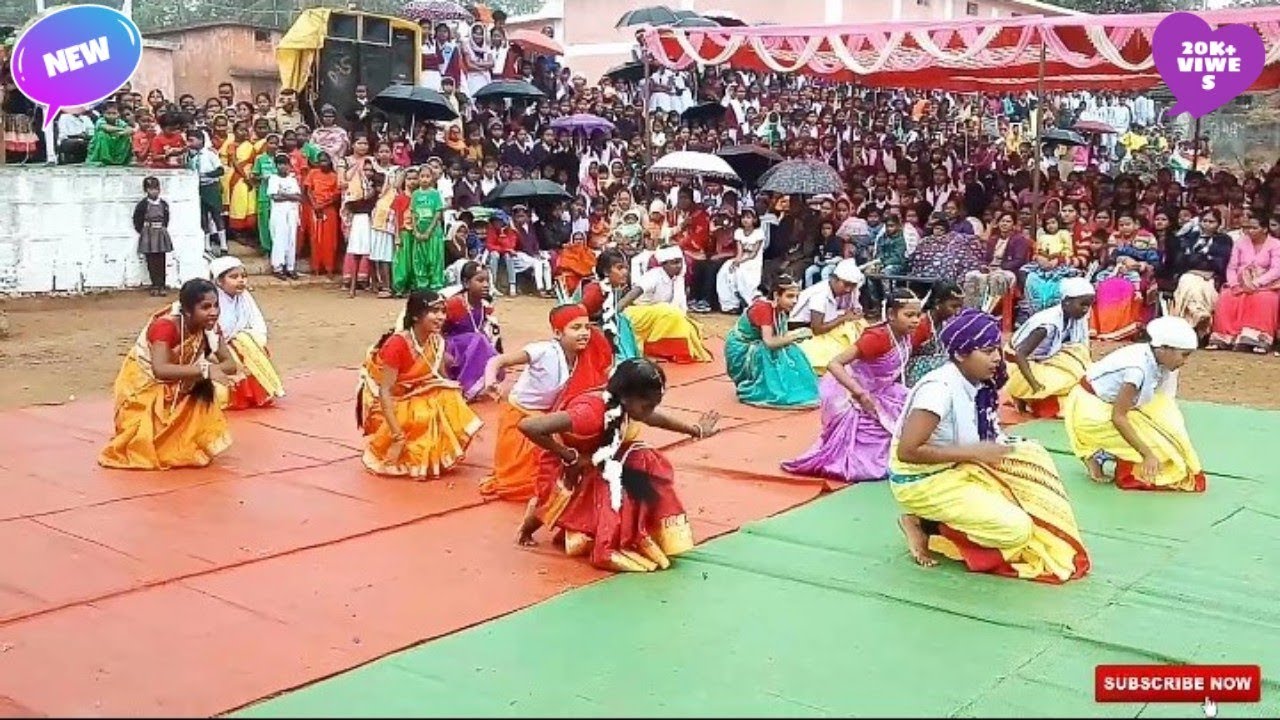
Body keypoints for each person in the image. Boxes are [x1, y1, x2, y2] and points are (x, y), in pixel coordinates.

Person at [889, 308, 1091, 583]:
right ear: (961, 354)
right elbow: (908, 452)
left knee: (1035, 459)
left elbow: (982, 432)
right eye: (987, 351)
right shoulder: (938, 389)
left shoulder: (977, 382)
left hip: (957, 464)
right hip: (922, 479)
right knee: (1016, 531)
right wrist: (975, 452)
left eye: (997, 348)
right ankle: (927, 526)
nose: (997, 357)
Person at [515, 358, 720, 572]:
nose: (650, 411)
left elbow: (654, 418)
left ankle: (637, 532)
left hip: (594, 458)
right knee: (550, 505)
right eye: (647, 405)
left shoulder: (625, 406)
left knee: (642, 459)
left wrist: (695, 430)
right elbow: (528, 426)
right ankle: (529, 530)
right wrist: (570, 456)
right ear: (626, 397)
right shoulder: (590, 414)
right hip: (566, 464)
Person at [782, 288, 928, 483]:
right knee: (867, 461)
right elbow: (834, 364)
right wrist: (860, 393)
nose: (915, 320)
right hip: (849, 392)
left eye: (918, 315)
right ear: (891, 315)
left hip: (882, 390)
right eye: (909, 315)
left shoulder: (909, 334)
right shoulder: (877, 338)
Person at [99, 278, 242, 470]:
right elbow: (160, 370)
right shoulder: (166, 326)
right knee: (141, 445)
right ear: (188, 311)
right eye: (206, 307)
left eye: (216, 305)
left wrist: (203, 372)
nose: (214, 312)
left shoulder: (210, 328)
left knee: (214, 392)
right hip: (143, 384)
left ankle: (180, 441)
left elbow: (230, 365)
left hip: (179, 383)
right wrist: (204, 370)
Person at [477, 304, 613, 501]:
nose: (584, 333)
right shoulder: (542, 351)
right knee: (524, 483)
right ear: (558, 333)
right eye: (575, 328)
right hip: (521, 415)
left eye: (586, 327)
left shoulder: (586, 355)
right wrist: (490, 382)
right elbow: (496, 361)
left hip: (551, 415)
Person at [1063, 315, 1205, 492]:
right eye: (1184, 355)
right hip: (1091, 410)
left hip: (1119, 404)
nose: (1184, 362)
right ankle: (1098, 454)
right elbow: (1118, 417)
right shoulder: (1137, 370)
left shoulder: (1160, 359)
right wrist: (1148, 454)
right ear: (1164, 349)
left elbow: (1164, 400)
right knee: (1155, 446)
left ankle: (1115, 454)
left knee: (1170, 430)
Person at [357, 290, 483, 478]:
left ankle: (437, 455)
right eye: (434, 311)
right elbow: (385, 392)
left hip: (416, 394)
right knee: (423, 413)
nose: (441, 317)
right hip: (389, 403)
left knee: (448, 396)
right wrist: (397, 435)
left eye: (443, 311)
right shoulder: (397, 344)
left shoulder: (436, 341)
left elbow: (439, 377)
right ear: (416, 315)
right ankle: (402, 448)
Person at [724, 273, 820, 409]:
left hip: (759, 343)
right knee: (768, 350)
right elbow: (769, 342)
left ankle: (788, 387)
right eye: (790, 296)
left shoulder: (782, 309)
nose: (794, 301)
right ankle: (768, 389)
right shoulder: (764, 308)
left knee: (791, 350)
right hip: (742, 349)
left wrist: (792, 338)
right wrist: (796, 336)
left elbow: (781, 336)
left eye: (796, 297)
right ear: (776, 296)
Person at [1005, 277, 1096, 419]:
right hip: (1020, 362)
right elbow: (1019, 355)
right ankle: (1023, 394)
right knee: (1068, 381)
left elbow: (1080, 347)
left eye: (1088, 305)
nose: (1086, 310)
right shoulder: (1046, 325)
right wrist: (1034, 385)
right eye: (1082, 305)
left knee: (1081, 363)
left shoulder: (1076, 317)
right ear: (1066, 301)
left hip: (1048, 357)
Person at [209, 256, 285, 410]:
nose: (241, 281)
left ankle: (257, 393)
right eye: (233, 277)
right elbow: (207, 337)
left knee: (248, 342)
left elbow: (257, 324)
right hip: (213, 353)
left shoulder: (245, 298)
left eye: (243, 276)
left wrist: (253, 342)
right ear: (219, 281)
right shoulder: (210, 302)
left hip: (239, 346)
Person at [619, 245, 713, 363]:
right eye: (674, 263)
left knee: (691, 327)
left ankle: (663, 351)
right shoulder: (654, 275)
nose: (678, 266)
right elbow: (633, 294)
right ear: (664, 264)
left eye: (679, 262)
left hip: (661, 317)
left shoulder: (678, 279)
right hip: (639, 315)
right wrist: (615, 314)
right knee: (668, 311)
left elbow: (680, 307)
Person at [1208, 209, 1280, 353]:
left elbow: (1276, 269)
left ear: (1265, 229)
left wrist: (1256, 283)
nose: (1250, 231)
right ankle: (1224, 338)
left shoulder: (1276, 244)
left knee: (1263, 299)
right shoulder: (1240, 243)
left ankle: (1257, 339)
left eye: (1254, 228)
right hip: (1241, 282)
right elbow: (1232, 267)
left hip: (1266, 284)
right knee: (1227, 297)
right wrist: (1234, 284)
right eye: (1248, 228)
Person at [788, 258, 867, 372]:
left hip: (824, 325)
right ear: (834, 279)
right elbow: (817, 328)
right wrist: (844, 317)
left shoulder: (846, 291)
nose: (848, 289)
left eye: (852, 286)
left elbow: (855, 309)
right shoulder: (820, 294)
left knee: (858, 324)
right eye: (846, 285)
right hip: (803, 330)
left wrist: (852, 314)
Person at [442, 262, 503, 400]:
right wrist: (443, 353)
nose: (486, 285)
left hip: (471, 348)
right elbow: (435, 331)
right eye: (480, 280)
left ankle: (477, 385)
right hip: (451, 349)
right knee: (478, 339)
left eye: (488, 281)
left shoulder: (485, 307)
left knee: (485, 340)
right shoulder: (455, 304)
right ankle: (466, 388)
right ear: (466, 283)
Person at [577, 249, 641, 363]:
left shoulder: (617, 288)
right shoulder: (596, 291)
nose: (625, 272)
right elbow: (579, 314)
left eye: (626, 267)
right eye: (620, 268)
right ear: (606, 272)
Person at [904, 281, 965, 387]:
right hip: (912, 370)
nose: (957, 312)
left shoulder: (945, 323)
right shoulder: (921, 325)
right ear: (937, 303)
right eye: (953, 306)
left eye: (960, 307)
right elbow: (905, 356)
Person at [132, 176, 172, 298]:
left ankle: (162, 285)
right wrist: (144, 231)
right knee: (151, 260)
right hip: (148, 233)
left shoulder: (164, 204)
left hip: (160, 232)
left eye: (156, 189)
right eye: (151, 189)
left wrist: (161, 229)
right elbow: (137, 220)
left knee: (161, 259)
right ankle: (154, 284)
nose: (154, 191)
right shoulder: (142, 205)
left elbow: (166, 219)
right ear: (146, 190)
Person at [266, 153, 303, 280]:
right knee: (279, 240)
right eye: (280, 164)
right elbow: (275, 197)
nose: (282, 167)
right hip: (279, 213)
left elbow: (299, 197)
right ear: (276, 166)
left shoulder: (292, 179)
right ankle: (278, 267)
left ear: (289, 165)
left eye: (285, 164)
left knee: (291, 240)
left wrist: (284, 194)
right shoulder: (273, 179)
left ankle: (290, 267)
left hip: (292, 213)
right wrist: (290, 196)